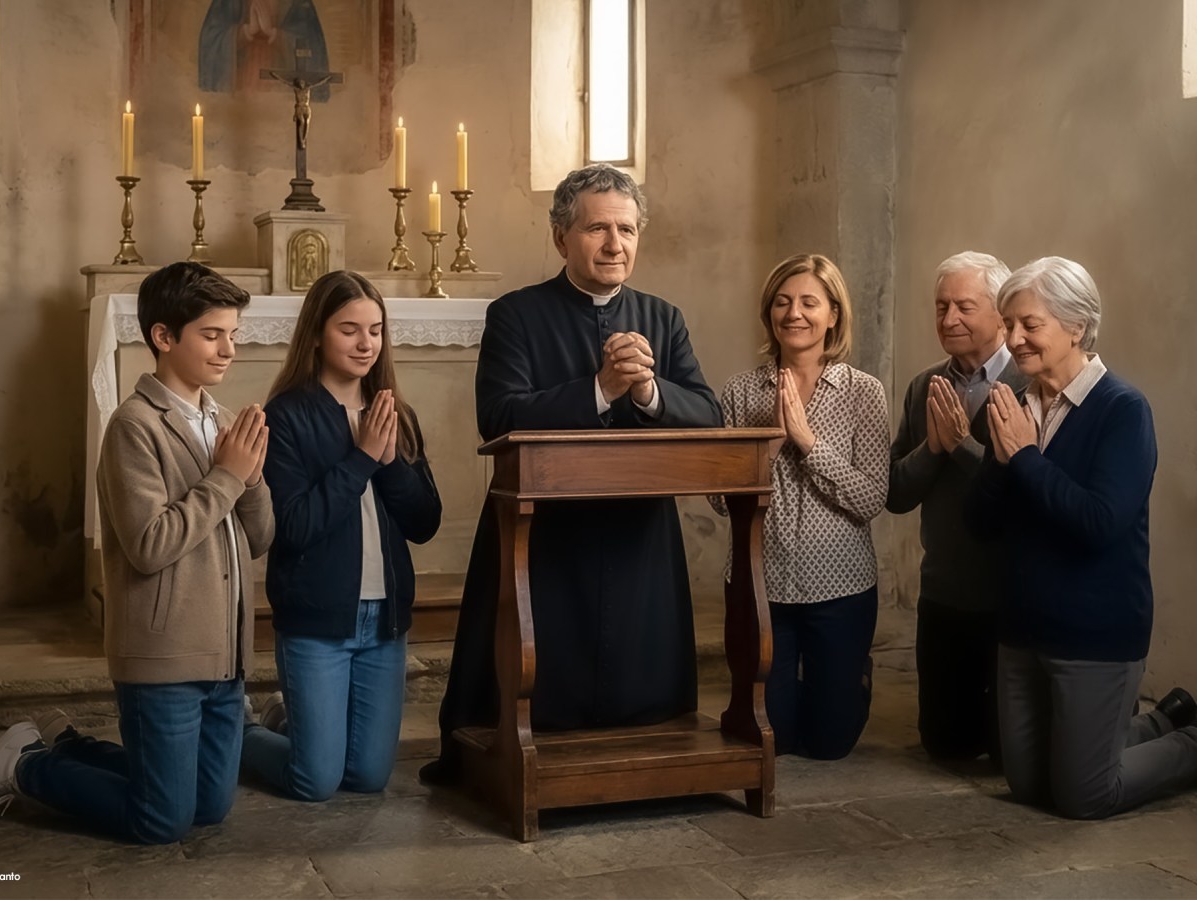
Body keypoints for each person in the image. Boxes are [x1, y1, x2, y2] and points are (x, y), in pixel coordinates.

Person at [421, 164, 723, 784]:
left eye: (627, 229)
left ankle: (645, 746)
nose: (615, 244)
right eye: (597, 229)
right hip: (546, 531)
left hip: (638, 530)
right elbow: (498, 415)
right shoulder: (515, 315)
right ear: (561, 238)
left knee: (640, 684)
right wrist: (598, 388)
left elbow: (709, 413)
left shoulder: (662, 318)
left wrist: (646, 391)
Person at [0, 262, 273, 842]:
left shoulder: (222, 420)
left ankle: (69, 744)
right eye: (211, 334)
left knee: (209, 809)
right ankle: (23, 764)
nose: (228, 350)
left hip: (226, 656)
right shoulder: (133, 426)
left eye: (233, 334)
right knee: (161, 820)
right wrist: (227, 477)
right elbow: (150, 546)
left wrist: (251, 479)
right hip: (164, 652)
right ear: (163, 337)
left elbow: (259, 538)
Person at [971, 256, 1197, 818]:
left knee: (1084, 795)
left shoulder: (1123, 410)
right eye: (1009, 325)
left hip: (1094, 631)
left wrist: (1023, 456)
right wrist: (1003, 460)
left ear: (1076, 326)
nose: (1015, 339)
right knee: (1026, 787)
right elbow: (978, 522)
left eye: (1030, 324)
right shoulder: (1014, 407)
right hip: (1023, 630)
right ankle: (1162, 716)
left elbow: (1099, 524)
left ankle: (1189, 741)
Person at [240, 270, 441, 801]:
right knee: (315, 782)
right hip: (317, 623)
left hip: (385, 621)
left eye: (375, 329)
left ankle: (298, 723)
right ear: (316, 335)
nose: (365, 343)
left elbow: (425, 523)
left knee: (368, 777)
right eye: (349, 329)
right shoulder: (285, 416)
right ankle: (237, 733)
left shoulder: (397, 413)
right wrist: (361, 458)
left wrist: (391, 460)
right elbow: (295, 528)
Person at [711, 254, 889, 759]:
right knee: (774, 741)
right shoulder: (741, 392)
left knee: (830, 744)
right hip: (757, 580)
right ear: (770, 313)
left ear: (833, 314)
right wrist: (764, 448)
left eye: (810, 302)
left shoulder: (863, 394)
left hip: (841, 586)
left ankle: (850, 678)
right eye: (783, 302)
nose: (795, 313)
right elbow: (720, 501)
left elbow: (870, 498)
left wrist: (809, 444)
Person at [887, 251, 1027, 763]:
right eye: (941, 306)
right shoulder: (926, 386)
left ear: (999, 312)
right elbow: (896, 494)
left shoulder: (1028, 384)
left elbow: (1025, 490)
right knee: (944, 746)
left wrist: (963, 446)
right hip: (943, 593)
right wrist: (934, 449)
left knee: (1007, 755)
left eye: (964, 307)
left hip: (1006, 595)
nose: (949, 320)